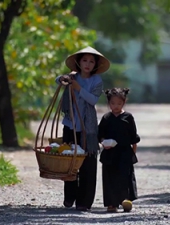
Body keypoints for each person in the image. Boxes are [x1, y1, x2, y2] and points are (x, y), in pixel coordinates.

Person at [54, 46, 110, 211]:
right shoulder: (73, 76)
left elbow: (92, 100)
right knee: (69, 162)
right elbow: (58, 80)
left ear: (95, 65)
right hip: (70, 125)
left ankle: (84, 202)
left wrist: (78, 87)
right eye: (84, 60)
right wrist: (65, 78)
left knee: (87, 164)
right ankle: (69, 197)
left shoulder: (96, 80)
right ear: (78, 62)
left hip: (87, 128)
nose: (87, 64)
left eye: (91, 61)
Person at [97, 87, 140, 213]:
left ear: (124, 102)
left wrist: (133, 153)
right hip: (110, 153)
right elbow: (100, 135)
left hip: (125, 153)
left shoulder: (128, 117)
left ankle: (126, 201)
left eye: (119, 104)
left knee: (125, 177)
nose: (115, 106)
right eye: (112, 103)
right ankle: (111, 203)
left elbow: (134, 138)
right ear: (108, 103)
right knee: (110, 177)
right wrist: (104, 143)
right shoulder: (106, 118)